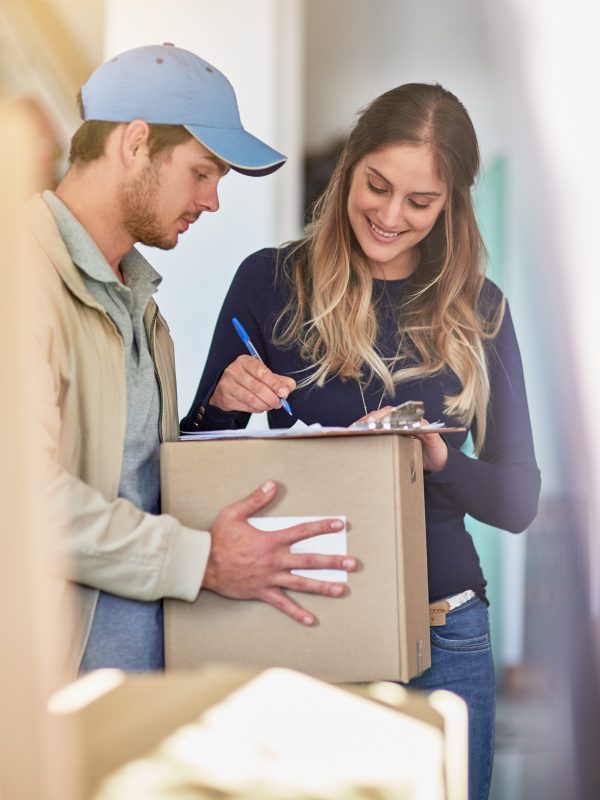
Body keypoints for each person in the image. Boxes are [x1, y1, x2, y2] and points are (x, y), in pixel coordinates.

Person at [181, 82, 541, 799]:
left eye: (420, 202)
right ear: (350, 167)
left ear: (452, 205)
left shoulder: (481, 309)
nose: (389, 215)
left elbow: (519, 499)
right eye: (377, 186)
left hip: (447, 637)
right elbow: (192, 460)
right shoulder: (270, 283)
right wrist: (224, 403)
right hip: (311, 622)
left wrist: (436, 461)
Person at [29, 43, 358, 677]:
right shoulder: (21, 279)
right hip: (44, 700)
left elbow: (127, 479)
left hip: (133, 681)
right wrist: (204, 561)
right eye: (202, 172)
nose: (211, 201)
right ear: (135, 143)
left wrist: (214, 412)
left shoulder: (142, 307)